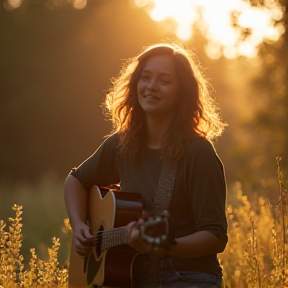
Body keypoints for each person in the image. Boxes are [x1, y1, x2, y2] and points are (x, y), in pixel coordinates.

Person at [64, 42, 228, 288]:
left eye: (164, 80)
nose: (151, 86)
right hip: (131, 277)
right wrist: (78, 226)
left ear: (182, 91)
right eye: (145, 77)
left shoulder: (198, 153)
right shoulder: (121, 143)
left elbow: (215, 237)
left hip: (188, 276)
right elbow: (75, 181)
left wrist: (165, 245)